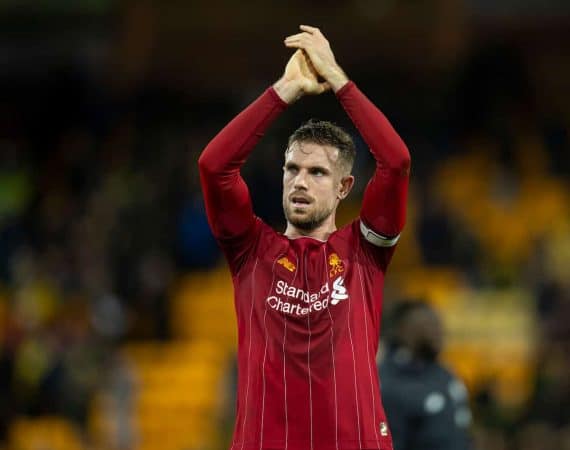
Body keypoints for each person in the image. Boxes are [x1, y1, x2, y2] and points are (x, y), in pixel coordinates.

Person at [198, 25, 410, 450]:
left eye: (317, 173)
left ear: (344, 187)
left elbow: (396, 161)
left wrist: (337, 79)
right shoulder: (250, 250)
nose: (300, 182)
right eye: (292, 169)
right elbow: (214, 166)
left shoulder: (364, 252)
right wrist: (284, 90)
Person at [378, 301, 472, 450]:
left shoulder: (445, 374)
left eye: (438, 325)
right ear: (402, 331)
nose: (437, 332)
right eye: (428, 325)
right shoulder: (388, 383)